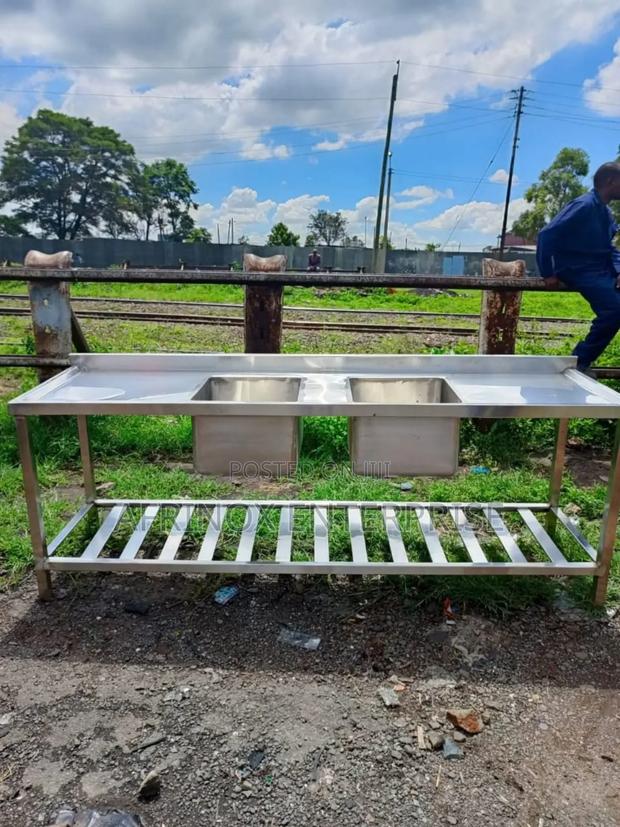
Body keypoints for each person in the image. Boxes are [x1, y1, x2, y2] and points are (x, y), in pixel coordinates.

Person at [537, 161, 620, 373]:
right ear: (611, 181)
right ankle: (579, 361)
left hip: (600, 268)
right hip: (578, 269)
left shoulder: (605, 212)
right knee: (615, 310)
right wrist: (547, 273)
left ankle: (580, 361)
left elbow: (609, 248)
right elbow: (546, 234)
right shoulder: (583, 205)